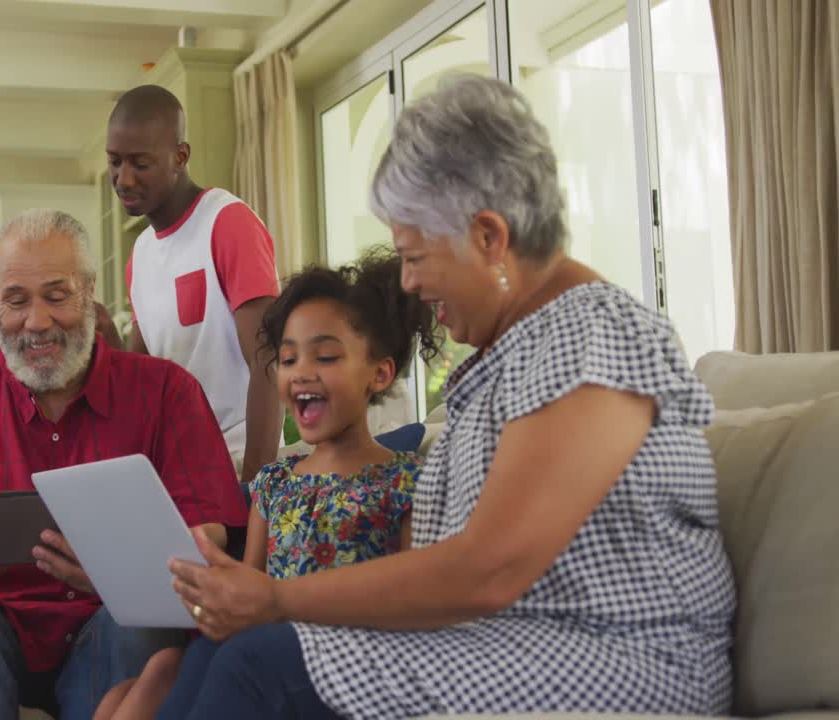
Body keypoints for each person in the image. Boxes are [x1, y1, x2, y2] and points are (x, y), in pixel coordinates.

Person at [152, 74, 737, 719]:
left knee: (256, 662)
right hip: (502, 647)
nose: (406, 282)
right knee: (220, 646)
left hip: (613, 662)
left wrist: (277, 600)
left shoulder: (590, 336)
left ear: (488, 237)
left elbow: (491, 568)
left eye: (415, 256)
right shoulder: (509, 356)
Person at [0, 208, 248, 720]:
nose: (37, 322)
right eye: (17, 301)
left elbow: (209, 538)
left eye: (56, 296)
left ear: (89, 291)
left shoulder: (167, 392)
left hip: (111, 626)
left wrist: (117, 569)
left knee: (138, 621)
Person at [94, 249, 438, 720]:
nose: (301, 372)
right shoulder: (274, 484)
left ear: (379, 373)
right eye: (289, 358)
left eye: (327, 355)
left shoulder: (404, 480)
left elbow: (417, 603)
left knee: (216, 660)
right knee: (157, 670)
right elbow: (247, 588)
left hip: (344, 667)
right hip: (257, 646)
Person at [106, 84, 281, 484]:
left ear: (180, 156)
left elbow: (267, 359)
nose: (123, 178)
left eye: (140, 163)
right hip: (174, 471)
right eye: (115, 162)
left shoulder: (227, 222)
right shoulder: (142, 254)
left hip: (235, 462)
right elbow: (143, 382)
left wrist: (256, 486)